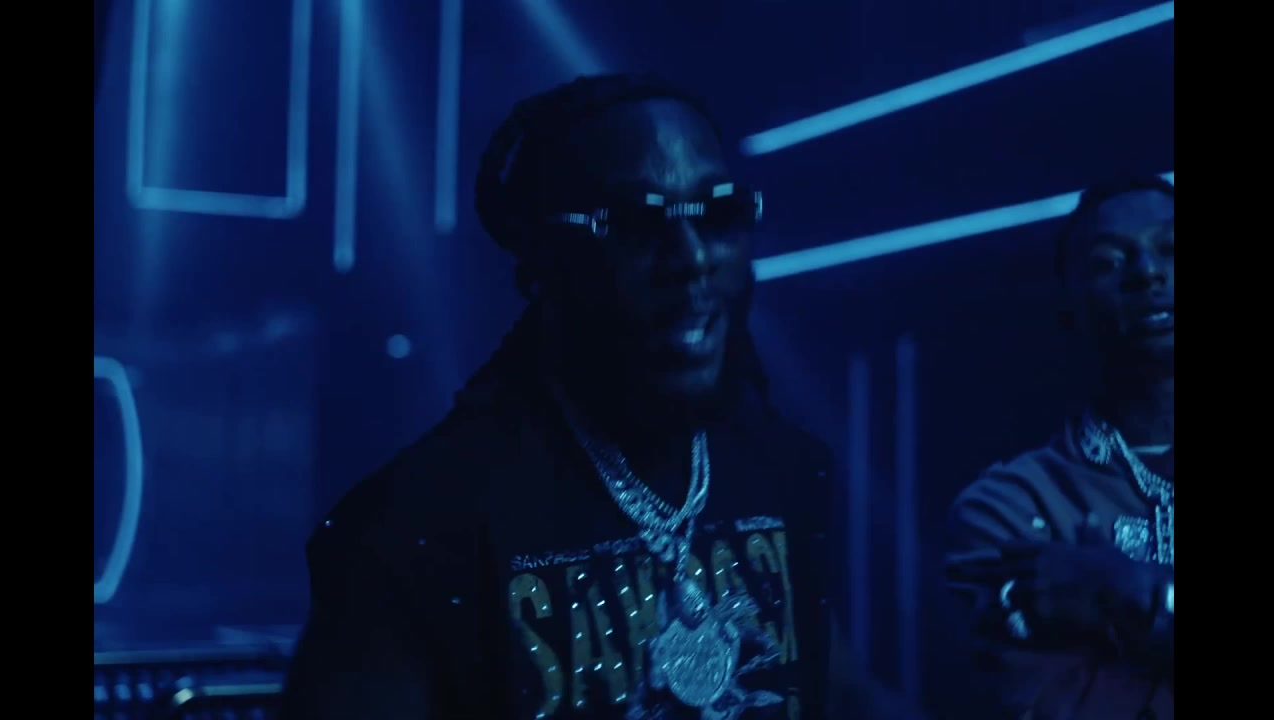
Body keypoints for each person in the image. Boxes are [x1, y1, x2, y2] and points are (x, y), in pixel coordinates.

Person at [279, 74, 921, 720]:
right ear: (542, 265)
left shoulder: (782, 469)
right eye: (637, 224)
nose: (692, 258)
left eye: (717, 212)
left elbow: (838, 694)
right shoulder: (416, 530)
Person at [944, 175, 1174, 719]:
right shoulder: (1009, 508)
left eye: (1170, 248)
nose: (1147, 271)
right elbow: (1055, 708)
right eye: (1108, 261)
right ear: (1068, 307)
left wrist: (1130, 590)